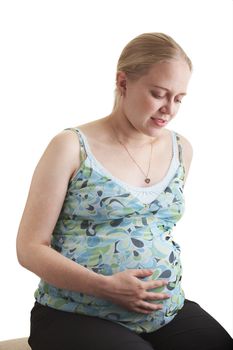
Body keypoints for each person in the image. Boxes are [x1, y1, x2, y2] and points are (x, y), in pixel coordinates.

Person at [16, 32, 232, 350]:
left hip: (163, 313)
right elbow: (30, 248)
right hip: (75, 313)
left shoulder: (181, 149)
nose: (168, 109)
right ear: (123, 82)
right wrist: (105, 286)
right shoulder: (70, 147)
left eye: (179, 98)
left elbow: (154, 228)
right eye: (158, 94)